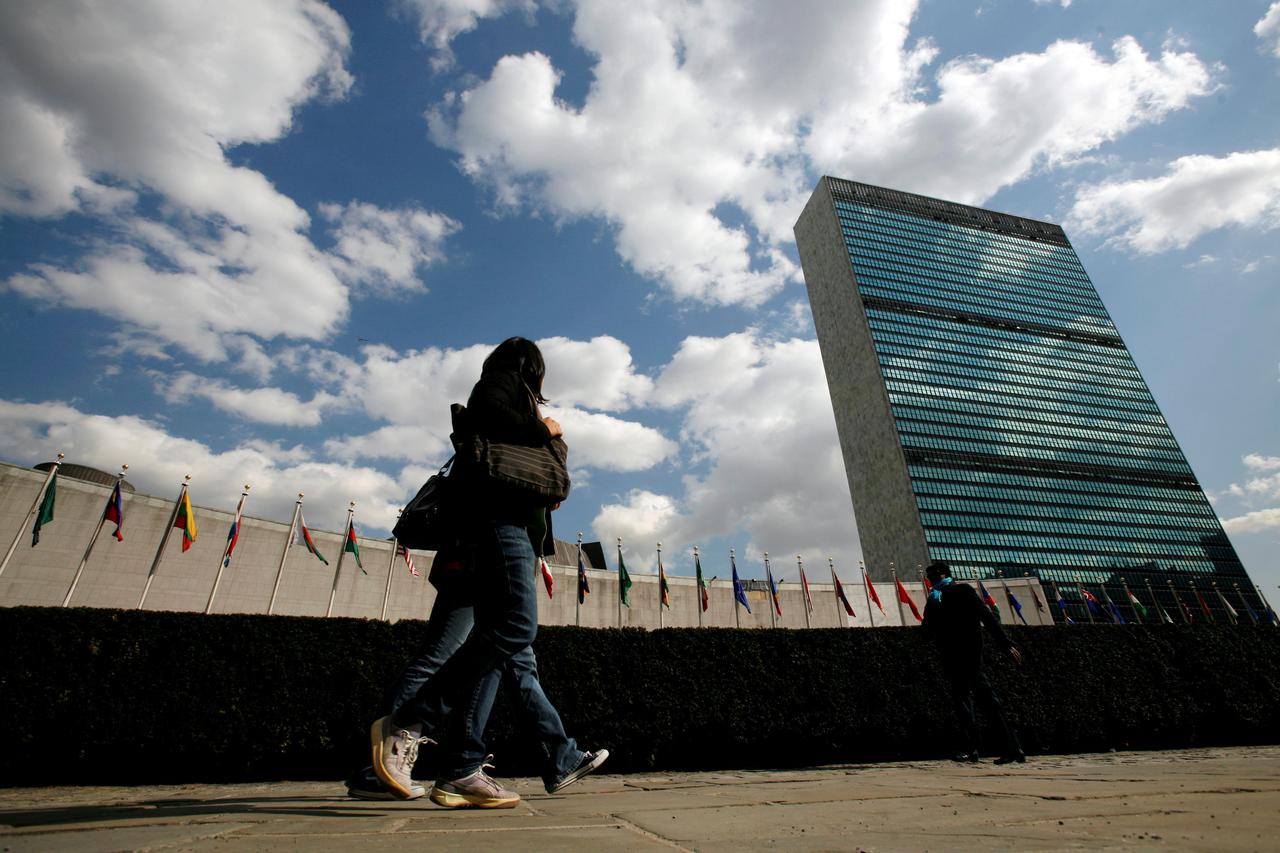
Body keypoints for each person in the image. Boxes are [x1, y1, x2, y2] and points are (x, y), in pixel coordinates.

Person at [371, 337, 607, 808]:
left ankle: (467, 766)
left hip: (502, 530)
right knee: (510, 631)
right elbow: (489, 415)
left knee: (510, 652)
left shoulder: (513, 410)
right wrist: (545, 430)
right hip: (494, 531)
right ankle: (410, 725)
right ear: (531, 367)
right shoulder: (504, 383)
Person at [348, 546, 608, 800]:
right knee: (444, 654)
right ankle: (381, 765)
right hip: (478, 562)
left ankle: (557, 756)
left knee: (517, 663)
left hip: (493, 565)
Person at [921, 561, 1025, 765]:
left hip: (970, 655)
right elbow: (927, 629)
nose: (931, 578)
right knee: (962, 703)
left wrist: (1005, 644)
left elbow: (987, 616)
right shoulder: (933, 598)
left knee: (988, 701)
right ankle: (972, 748)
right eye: (929, 575)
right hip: (950, 658)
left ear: (945, 574)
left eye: (935, 574)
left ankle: (1012, 747)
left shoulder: (963, 590)